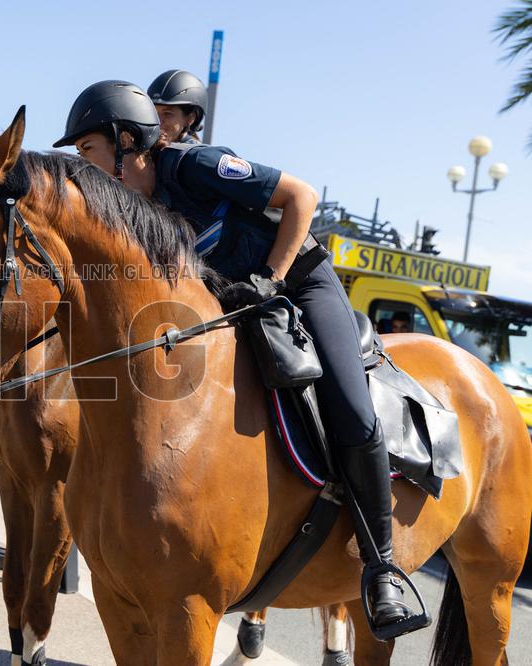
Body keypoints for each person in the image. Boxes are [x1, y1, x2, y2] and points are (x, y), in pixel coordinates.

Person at [53, 81, 420, 636]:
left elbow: (301, 197)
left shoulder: (196, 165)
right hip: (234, 306)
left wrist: (270, 278)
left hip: (300, 284)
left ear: (126, 141)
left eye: (88, 151)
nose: (86, 168)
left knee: (349, 403)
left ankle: (381, 565)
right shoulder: (136, 208)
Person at [147, 69, 207, 145]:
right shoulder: (138, 152)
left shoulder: (196, 155)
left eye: (167, 114)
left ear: (190, 118)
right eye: (154, 113)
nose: (158, 121)